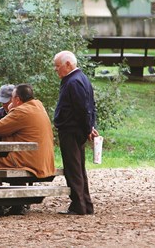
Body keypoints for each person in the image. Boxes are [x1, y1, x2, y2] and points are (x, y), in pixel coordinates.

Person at [0, 84, 56, 215]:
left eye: (13, 97)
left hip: (29, 159)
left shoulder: (21, 111)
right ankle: (18, 204)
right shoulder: (38, 106)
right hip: (40, 159)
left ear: (18, 99)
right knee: (11, 162)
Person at [53, 50, 99, 215]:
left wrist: (88, 128)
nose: (55, 70)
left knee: (73, 169)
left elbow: (82, 108)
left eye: (57, 66)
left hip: (71, 130)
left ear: (68, 64)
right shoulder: (82, 78)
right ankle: (86, 204)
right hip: (77, 129)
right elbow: (90, 106)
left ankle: (78, 205)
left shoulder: (73, 81)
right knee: (79, 168)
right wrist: (90, 127)